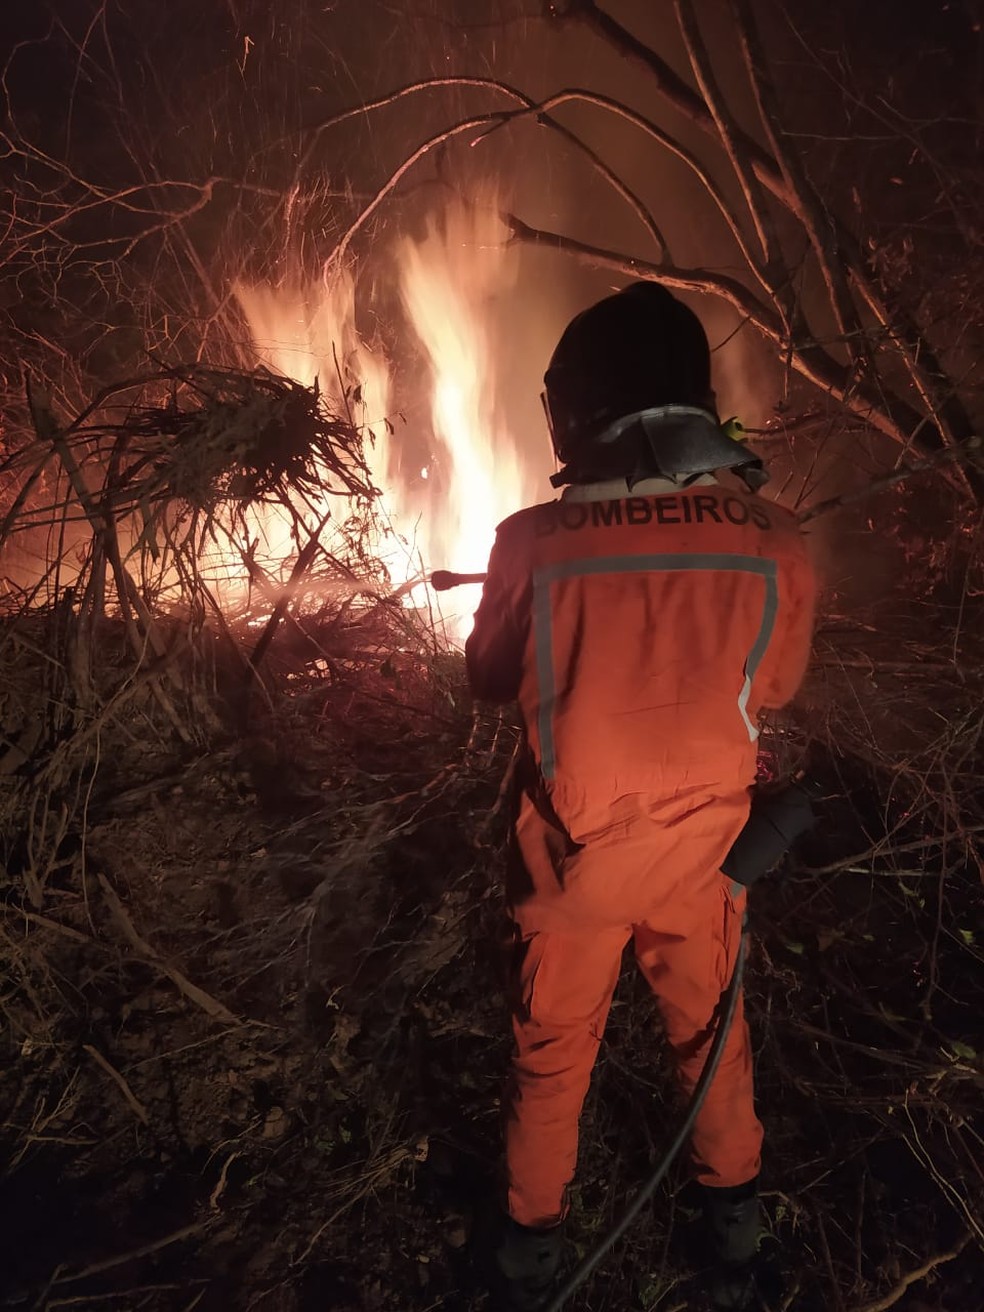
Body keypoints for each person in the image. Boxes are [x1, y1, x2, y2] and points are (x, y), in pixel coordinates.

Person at [464, 282, 817, 1311]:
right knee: (713, 1041)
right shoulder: (776, 538)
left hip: (570, 861)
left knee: (551, 1050)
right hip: (707, 859)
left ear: (578, 409)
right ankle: (739, 1238)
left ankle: (530, 1250)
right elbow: (776, 686)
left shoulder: (531, 538)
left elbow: (487, 677)